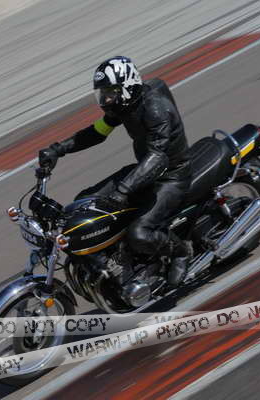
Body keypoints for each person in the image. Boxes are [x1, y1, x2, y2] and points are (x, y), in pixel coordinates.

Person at [39, 56, 192, 286]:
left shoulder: (155, 108)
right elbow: (96, 132)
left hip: (171, 176)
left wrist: (123, 190)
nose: (105, 99)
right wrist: (58, 149)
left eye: (110, 92)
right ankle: (110, 259)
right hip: (144, 171)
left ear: (127, 87)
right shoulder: (125, 106)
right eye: (103, 93)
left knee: (139, 234)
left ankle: (181, 252)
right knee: (84, 202)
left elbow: (158, 157)